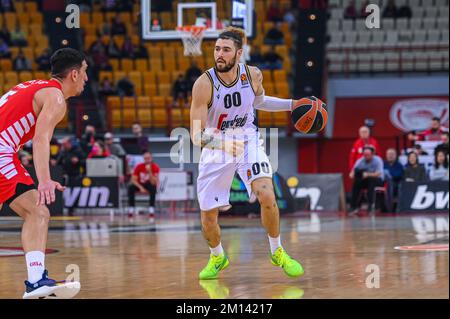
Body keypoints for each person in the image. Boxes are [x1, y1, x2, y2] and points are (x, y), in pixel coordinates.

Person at [190, 27, 304, 280]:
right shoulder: (203, 84)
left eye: (226, 50)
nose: (219, 54)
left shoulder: (253, 75)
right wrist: (221, 144)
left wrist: (292, 104)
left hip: (247, 138)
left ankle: (278, 251)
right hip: (215, 144)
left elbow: (259, 101)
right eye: (217, 49)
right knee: (208, 218)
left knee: (266, 194)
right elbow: (196, 135)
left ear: (239, 54)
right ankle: (218, 256)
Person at [0, 48, 87, 298]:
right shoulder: (56, 98)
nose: (86, 78)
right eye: (84, 72)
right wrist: (45, 180)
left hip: (6, 150)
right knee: (37, 212)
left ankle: (38, 280)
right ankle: (37, 281)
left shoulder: (34, 85)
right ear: (73, 74)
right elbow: (40, 140)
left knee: (36, 213)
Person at [349, 146, 385, 213]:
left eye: (368, 155)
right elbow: (353, 171)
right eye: (364, 155)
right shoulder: (360, 160)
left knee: (371, 181)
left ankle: (371, 206)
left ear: (372, 154)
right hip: (366, 180)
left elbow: (379, 174)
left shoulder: (378, 160)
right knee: (356, 182)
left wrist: (367, 174)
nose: (366, 156)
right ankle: (353, 206)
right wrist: (352, 174)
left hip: (378, 180)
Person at [127, 151, 160, 217]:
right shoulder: (139, 166)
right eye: (145, 158)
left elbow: (154, 182)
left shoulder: (155, 167)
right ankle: (131, 208)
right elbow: (133, 180)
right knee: (130, 187)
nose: (147, 160)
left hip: (149, 183)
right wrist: (140, 187)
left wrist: (149, 172)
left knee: (153, 187)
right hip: (140, 184)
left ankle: (151, 209)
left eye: (148, 158)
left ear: (151, 158)